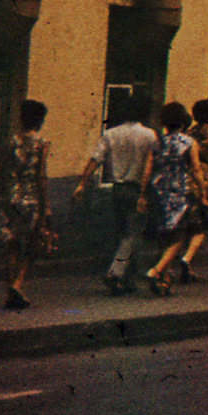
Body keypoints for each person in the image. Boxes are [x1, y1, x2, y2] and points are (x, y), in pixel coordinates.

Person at [74, 96, 157, 295]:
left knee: (122, 233)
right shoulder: (149, 135)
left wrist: (82, 183)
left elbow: (95, 159)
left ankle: (129, 279)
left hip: (118, 189)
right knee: (133, 234)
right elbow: (151, 165)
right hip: (138, 189)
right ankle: (116, 271)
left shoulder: (111, 134)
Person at [142, 101, 206, 295]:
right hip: (179, 193)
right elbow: (195, 169)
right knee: (180, 236)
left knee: (164, 236)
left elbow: (148, 170)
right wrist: (202, 191)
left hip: (158, 191)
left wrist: (143, 194)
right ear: (182, 121)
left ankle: (164, 280)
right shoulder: (188, 143)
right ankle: (156, 271)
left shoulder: (157, 142)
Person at [0, 98, 51, 310]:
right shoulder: (41, 144)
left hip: (10, 198)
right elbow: (41, 177)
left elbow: (0, 171)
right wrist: (45, 208)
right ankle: (18, 284)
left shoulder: (11, 142)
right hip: (30, 200)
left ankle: (11, 291)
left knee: (12, 244)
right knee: (34, 244)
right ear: (40, 120)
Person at [178, 98, 208, 285]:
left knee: (189, 221)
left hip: (187, 179)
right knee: (205, 223)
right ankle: (187, 258)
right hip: (207, 180)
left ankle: (186, 263)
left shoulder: (187, 133)